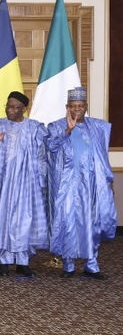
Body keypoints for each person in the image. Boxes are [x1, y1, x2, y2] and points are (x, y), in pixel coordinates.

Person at [0, 91, 48, 278]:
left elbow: (41, 157)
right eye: (8, 106)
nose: (10, 110)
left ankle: (22, 262)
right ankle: (3, 261)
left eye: (15, 108)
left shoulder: (34, 128)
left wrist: (41, 181)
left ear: (24, 109)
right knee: (3, 219)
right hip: (3, 184)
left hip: (27, 184)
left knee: (24, 220)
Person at [46, 86, 116, 280]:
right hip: (67, 185)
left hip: (92, 184)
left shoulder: (97, 127)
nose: (77, 109)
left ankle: (91, 266)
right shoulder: (56, 127)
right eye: (73, 106)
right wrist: (67, 131)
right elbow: (50, 147)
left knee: (92, 223)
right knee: (68, 222)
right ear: (67, 107)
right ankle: (68, 265)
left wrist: (108, 180)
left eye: (80, 105)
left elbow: (102, 157)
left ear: (86, 106)